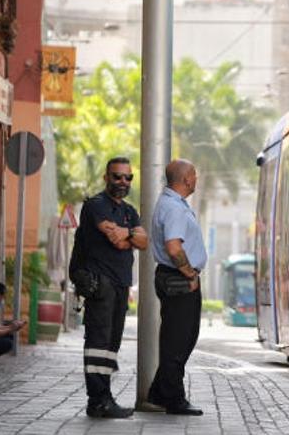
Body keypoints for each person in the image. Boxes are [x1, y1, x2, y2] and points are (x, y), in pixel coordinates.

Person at [77, 157, 148, 418]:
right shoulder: (96, 206)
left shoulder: (129, 211)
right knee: (98, 343)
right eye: (117, 176)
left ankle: (105, 398)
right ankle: (97, 400)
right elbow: (118, 241)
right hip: (100, 283)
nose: (122, 182)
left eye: (127, 177)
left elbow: (144, 242)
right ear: (106, 177)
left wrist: (126, 233)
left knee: (111, 344)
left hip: (120, 284)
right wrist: (130, 235)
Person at [147, 159, 207, 416]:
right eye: (194, 174)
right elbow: (174, 247)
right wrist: (190, 274)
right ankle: (173, 398)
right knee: (178, 340)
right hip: (178, 279)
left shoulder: (173, 204)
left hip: (176, 278)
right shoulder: (173, 208)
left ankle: (160, 391)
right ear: (185, 180)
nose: (196, 178)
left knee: (182, 337)